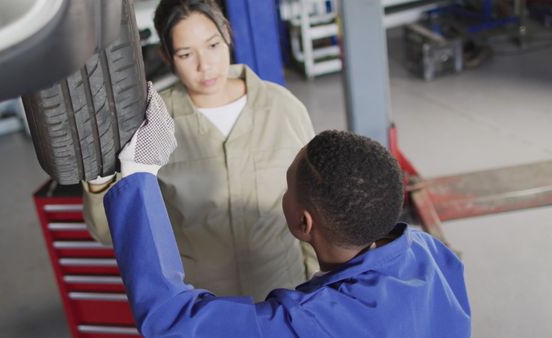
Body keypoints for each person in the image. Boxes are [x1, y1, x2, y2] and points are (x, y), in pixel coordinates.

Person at [102, 87, 472, 337]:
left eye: (287, 186)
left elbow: (172, 321)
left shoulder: (311, 322)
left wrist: (139, 172)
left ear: (302, 222)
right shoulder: (428, 252)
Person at [83, 0, 317, 301]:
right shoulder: (153, 123)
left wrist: (315, 292)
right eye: (185, 53)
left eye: (212, 45)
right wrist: (98, 177)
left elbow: (314, 210)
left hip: (285, 295)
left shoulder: (282, 108)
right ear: (166, 56)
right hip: (203, 307)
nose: (204, 66)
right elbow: (110, 232)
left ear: (228, 36)